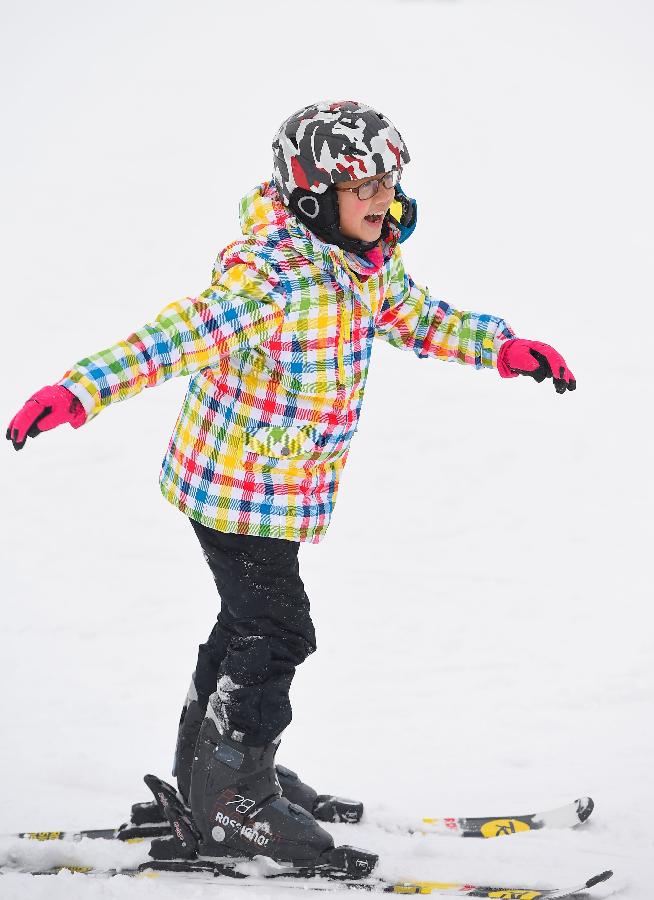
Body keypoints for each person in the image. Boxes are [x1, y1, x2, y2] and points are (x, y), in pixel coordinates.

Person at [6, 100, 575, 870]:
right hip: (236, 488)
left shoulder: (364, 261)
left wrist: (500, 348)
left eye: (387, 180)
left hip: (277, 489)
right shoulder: (268, 277)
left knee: (245, 625)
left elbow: (413, 314)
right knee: (277, 631)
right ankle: (232, 804)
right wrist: (81, 391)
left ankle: (215, 775)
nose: (380, 198)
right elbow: (176, 336)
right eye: (360, 185)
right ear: (311, 192)